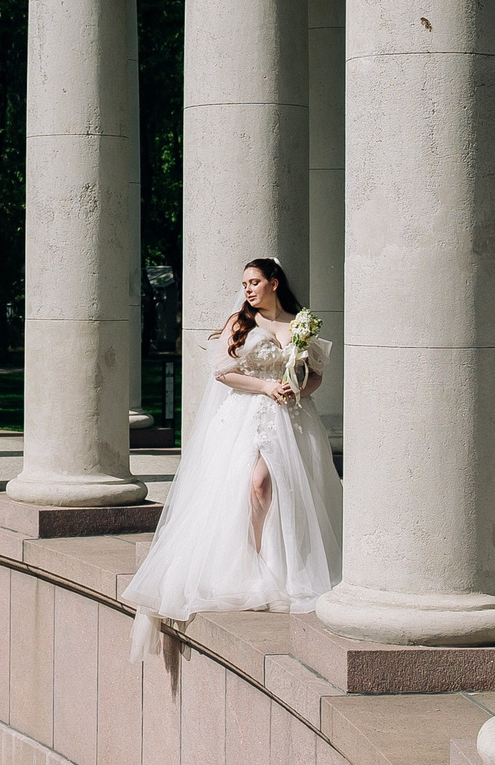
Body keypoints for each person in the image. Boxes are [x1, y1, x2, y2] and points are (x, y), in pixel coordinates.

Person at [122, 257, 342, 659]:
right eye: (245, 283)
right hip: (247, 415)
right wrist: (265, 387)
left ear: (274, 283)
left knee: (291, 492)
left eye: (255, 282)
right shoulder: (240, 323)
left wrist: (298, 391)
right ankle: (254, 566)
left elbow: (315, 374)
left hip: (292, 419)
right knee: (256, 483)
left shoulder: (299, 323)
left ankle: (287, 567)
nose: (248, 290)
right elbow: (223, 372)